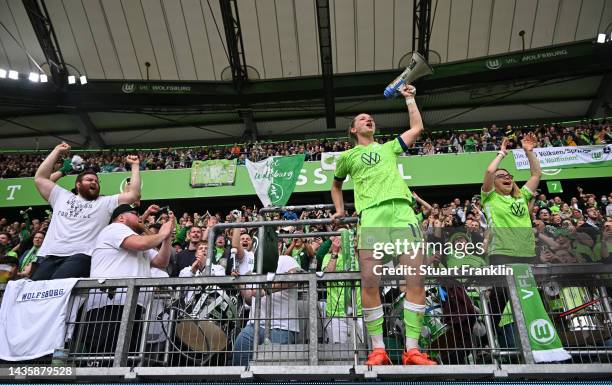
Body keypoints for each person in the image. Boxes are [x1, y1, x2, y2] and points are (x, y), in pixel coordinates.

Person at [330, 84, 436, 365]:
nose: (369, 120)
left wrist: (410, 98)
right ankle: (378, 349)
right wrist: (340, 210)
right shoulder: (347, 157)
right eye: (362, 119)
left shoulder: (389, 147)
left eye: (371, 118)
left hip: (402, 213)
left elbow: (416, 128)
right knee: (370, 281)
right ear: (353, 130)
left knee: (415, 278)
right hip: (372, 216)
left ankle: (411, 350)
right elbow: (336, 184)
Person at [32, 142, 141, 280]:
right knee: (35, 289)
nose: (94, 182)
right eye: (89, 179)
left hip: (82, 256)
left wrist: (135, 166)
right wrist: (57, 150)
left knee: (56, 288)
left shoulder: (104, 203)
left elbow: (134, 195)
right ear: (78, 184)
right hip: (51, 256)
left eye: (96, 181)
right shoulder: (61, 196)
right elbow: (40, 178)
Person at [84, 204, 174, 355]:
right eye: (135, 214)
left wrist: (167, 237)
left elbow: (161, 261)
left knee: (126, 356)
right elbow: (142, 244)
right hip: (109, 305)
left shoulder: (136, 238)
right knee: (105, 356)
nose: (140, 218)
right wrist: (162, 234)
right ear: (121, 218)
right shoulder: (115, 229)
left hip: (132, 304)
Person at [480, 134, 541, 347]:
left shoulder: (521, 196)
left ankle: (536, 341)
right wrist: (502, 154)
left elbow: (536, 174)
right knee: (499, 300)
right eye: (502, 176)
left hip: (527, 255)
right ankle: (484, 341)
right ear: (494, 183)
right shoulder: (489, 197)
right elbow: (489, 171)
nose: (507, 177)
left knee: (530, 300)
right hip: (502, 254)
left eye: (509, 175)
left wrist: (529, 152)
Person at [231, 255, 300, 366]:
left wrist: (266, 289)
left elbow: (295, 277)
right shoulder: (255, 266)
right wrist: (240, 282)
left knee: (272, 369)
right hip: (254, 325)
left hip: (282, 327)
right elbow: (250, 299)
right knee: (239, 356)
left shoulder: (286, 259)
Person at [321, 235, 363, 344]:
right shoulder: (328, 256)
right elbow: (327, 274)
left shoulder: (356, 256)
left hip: (357, 313)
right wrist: (334, 252)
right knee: (338, 352)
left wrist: (356, 249)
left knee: (362, 349)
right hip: (337, 315)